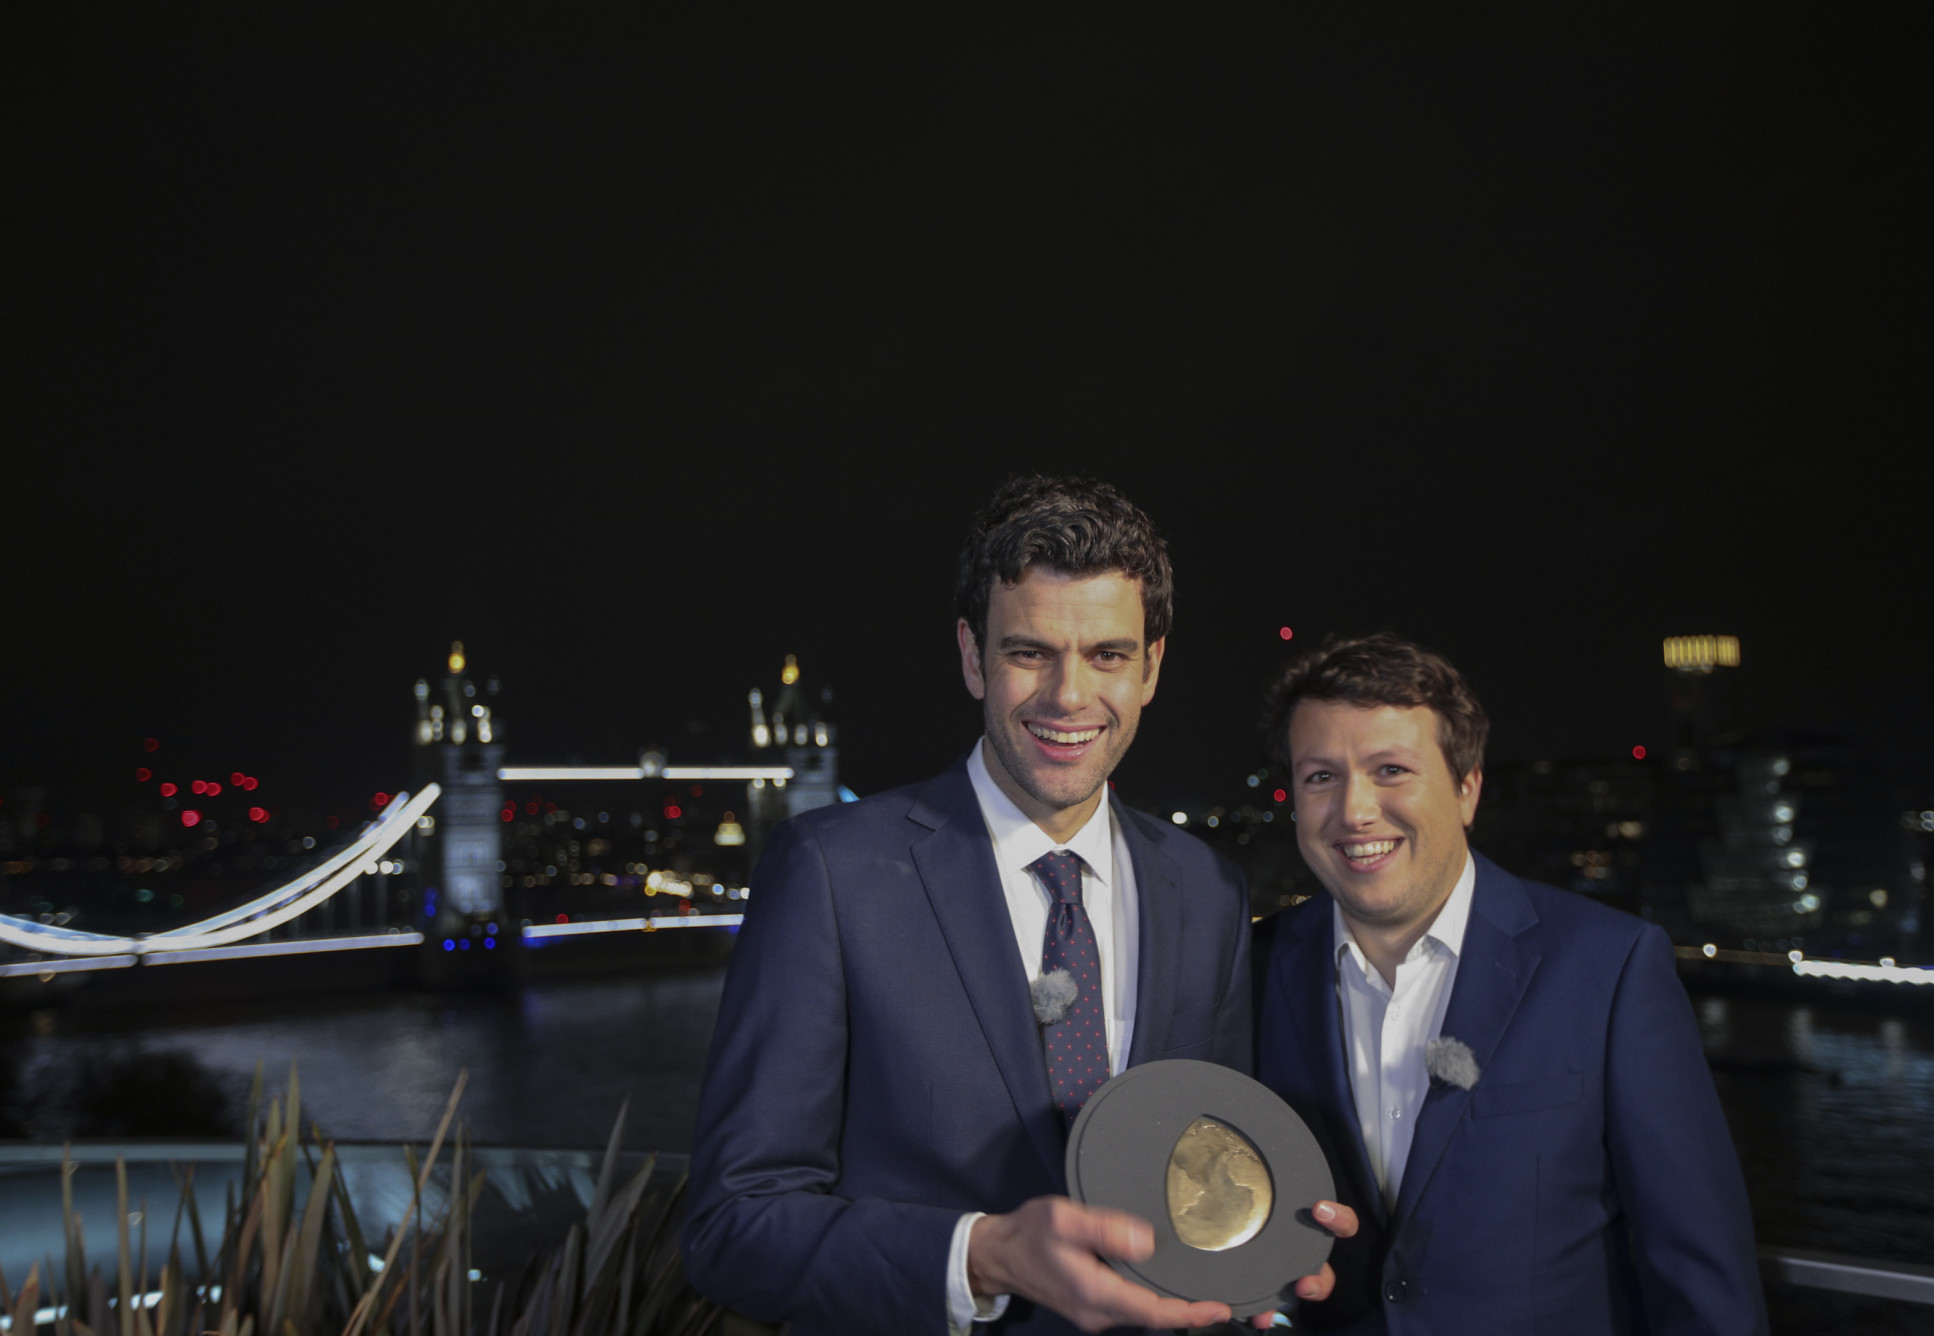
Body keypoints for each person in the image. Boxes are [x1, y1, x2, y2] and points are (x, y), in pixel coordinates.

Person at [684, 476, 1354, 1336]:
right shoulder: (829, 872)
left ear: (1151, 666)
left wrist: (1263, 1256)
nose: (1068, 696)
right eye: (1030, 652)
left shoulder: (1207, 889)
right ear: (973, 657)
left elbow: (1198, 1160)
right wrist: (983, 1256)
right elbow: (730, 1226)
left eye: (1108, 655)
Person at [1255, 633, 1767, 1335]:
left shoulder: (1608, 968)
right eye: (1320, 777)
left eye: (1392, 769)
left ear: (1468, 788)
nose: (1354, 811)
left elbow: (1698, 1272)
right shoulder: (1254, 966)